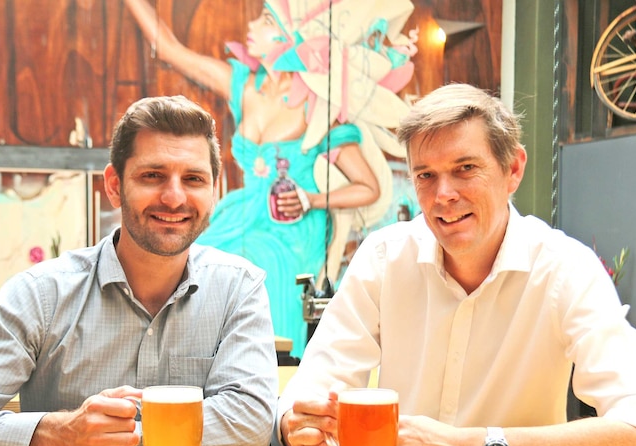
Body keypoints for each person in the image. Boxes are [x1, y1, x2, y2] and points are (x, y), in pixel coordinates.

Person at [275, 83, 636, 446]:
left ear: (513, 170)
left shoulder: (564, 268)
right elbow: (305, 397)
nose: (443, 195)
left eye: (465, 168)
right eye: (425, 175)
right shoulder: (383, 259)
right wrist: (301, 429)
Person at [0, 95, 278, 446]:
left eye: (193, 179)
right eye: (153, 176)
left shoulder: (238, 289)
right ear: (114, 186)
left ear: (214, 192)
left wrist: (126, 428)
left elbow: (251, 420)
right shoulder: (41, 294)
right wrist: (58, 434)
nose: (174, 197)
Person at [125, 0, 417, 355]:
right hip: (244, 214)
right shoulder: (242, 86)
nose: (251, 26)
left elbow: (368, 187)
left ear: (292, 38)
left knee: (252, 272)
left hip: (292, 231)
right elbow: (170, 49)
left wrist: (311, 199)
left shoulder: (316, 106)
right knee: (194, 261)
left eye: (265, 20)